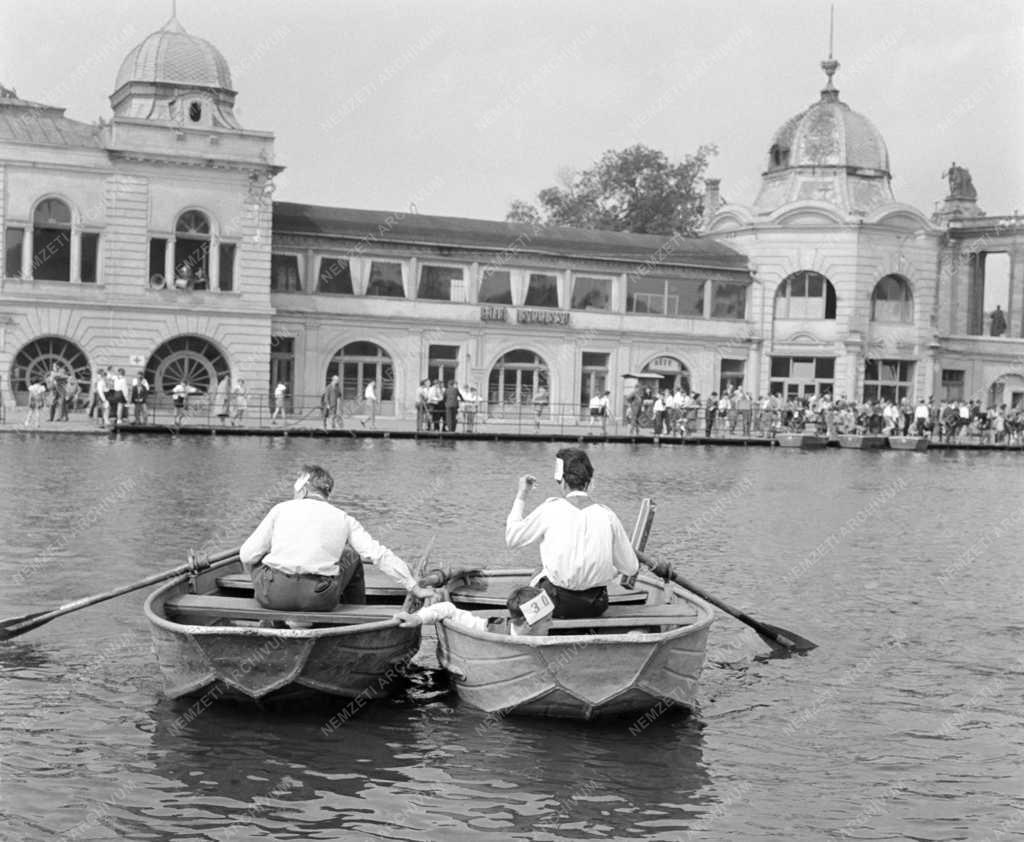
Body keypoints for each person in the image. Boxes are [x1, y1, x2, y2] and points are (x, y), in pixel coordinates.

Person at [239, 464, 436, 611]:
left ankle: (270, 622)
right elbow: (378, 555)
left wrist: (266, 563)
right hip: (319, 598)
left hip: (274, 596)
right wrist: (413, 587)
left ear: (304, 489)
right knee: (353, 556)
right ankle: (354, 621)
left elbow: (247, 555)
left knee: (257, 556)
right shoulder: (344, 518)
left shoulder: (281, 509)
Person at [505, 448, 639, 619]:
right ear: (588, 483)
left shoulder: (550, 509)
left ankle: (527, 630)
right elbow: (631, 567)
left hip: (554, 606)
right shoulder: (608, 515)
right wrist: (606, 569)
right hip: (596, 606)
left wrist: (522, 495)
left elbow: (512, 538)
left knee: (537, 575)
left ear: (562, 481)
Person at [395, 586, 555, 637]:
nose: (552, 624)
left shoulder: (543, 638)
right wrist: (418, 618)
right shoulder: (487, 628)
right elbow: (449, 609)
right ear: (528, 624)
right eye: (547, 620)